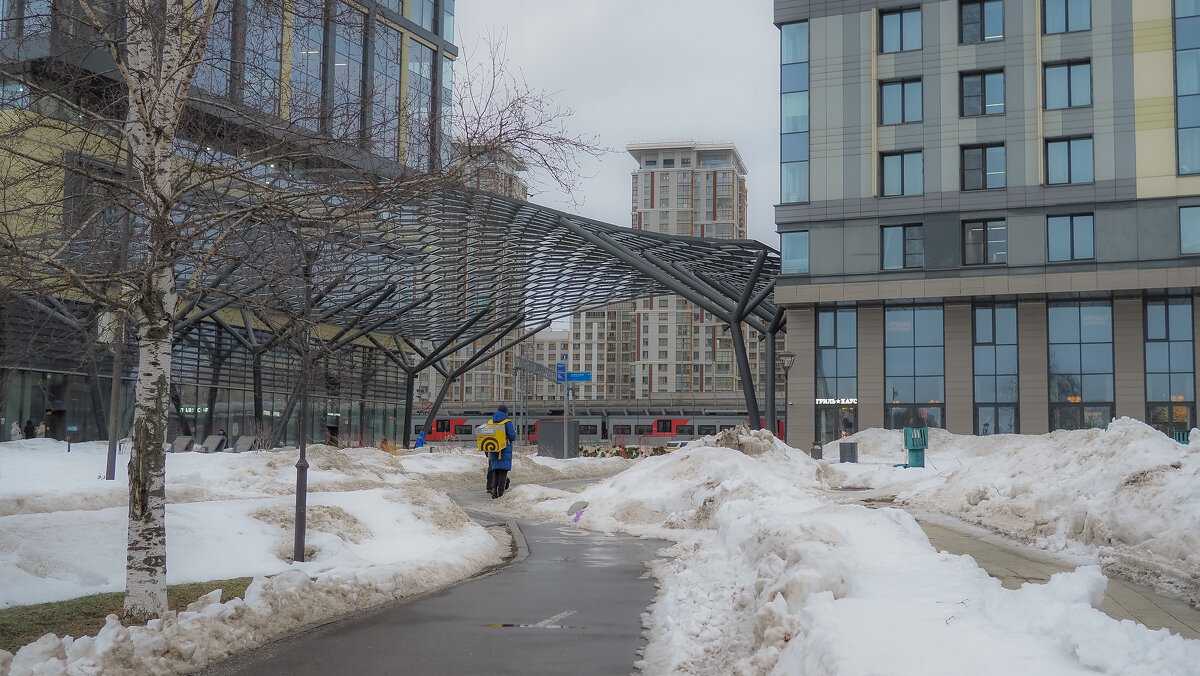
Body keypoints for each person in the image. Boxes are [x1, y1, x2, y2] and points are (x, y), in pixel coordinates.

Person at [485, 404, 516, 499]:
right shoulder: (507, 422)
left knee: (495, 470)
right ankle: (501, 493)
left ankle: (493, 488)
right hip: (504, 449)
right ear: (506, 412)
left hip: (493, 449)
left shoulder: (491, 421)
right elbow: (512, 436)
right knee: (503, 471)